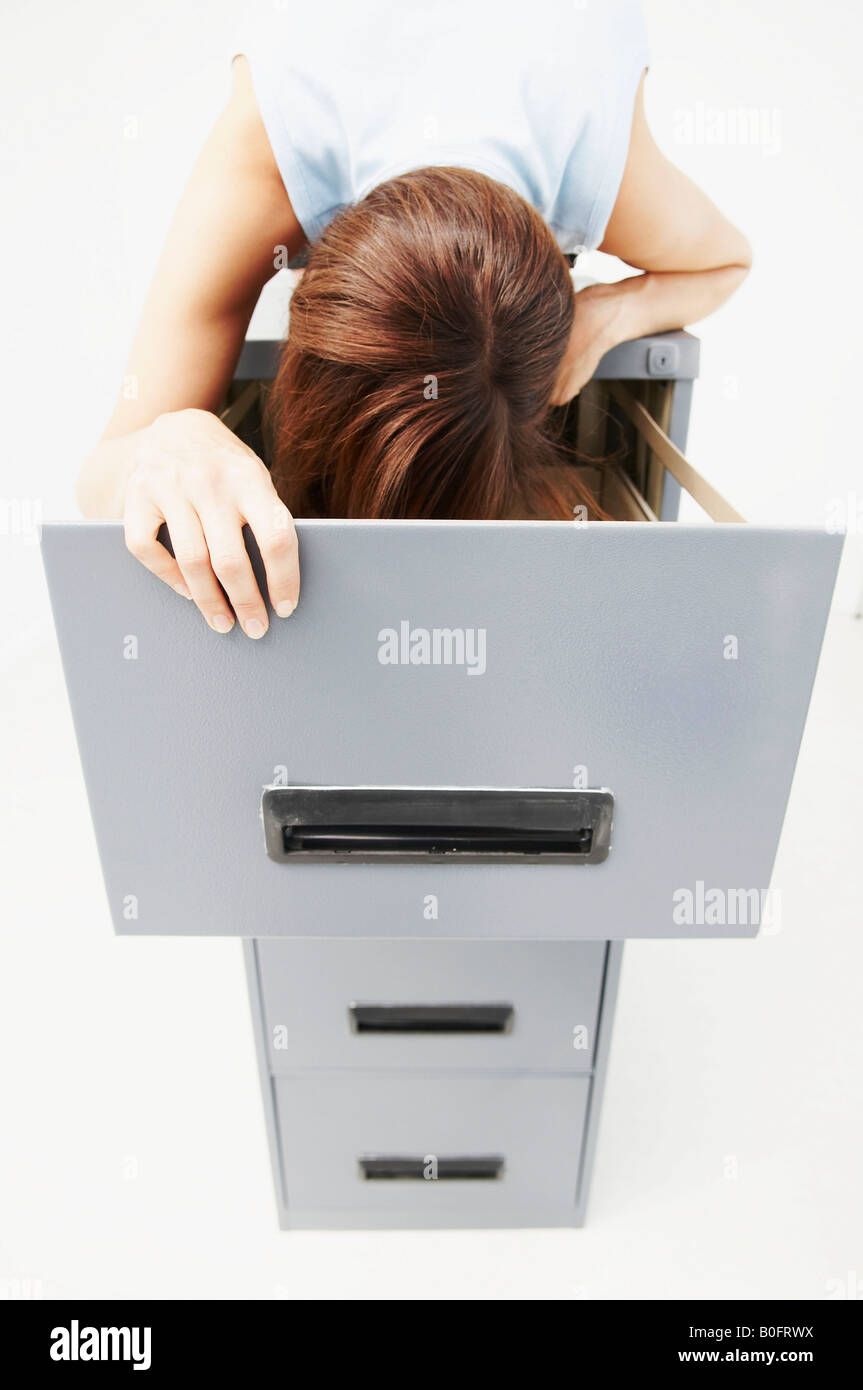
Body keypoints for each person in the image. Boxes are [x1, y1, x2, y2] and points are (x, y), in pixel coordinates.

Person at [77, 1, 751, 639]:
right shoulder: (269, 152)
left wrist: (605, 316)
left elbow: (728, 261)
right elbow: (99, 476)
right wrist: (169, 438)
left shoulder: (598, 160)